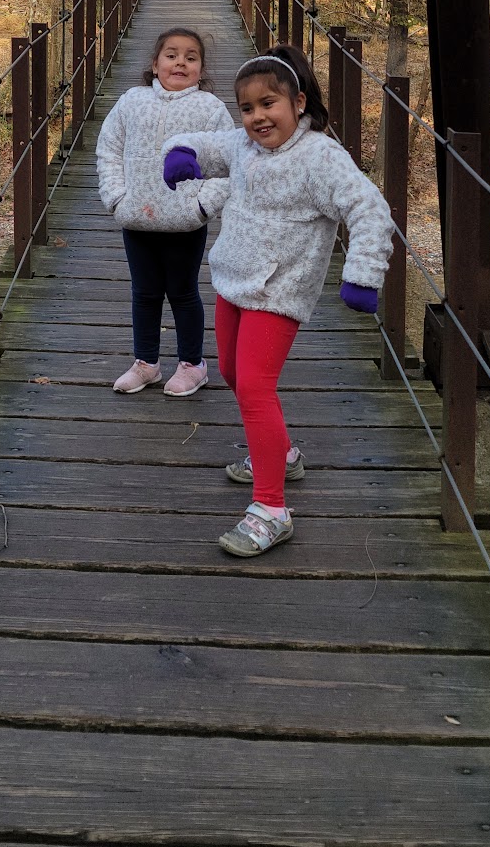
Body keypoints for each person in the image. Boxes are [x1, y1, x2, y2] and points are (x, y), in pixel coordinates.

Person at [161, 44, 393, 557]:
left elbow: (369, 209)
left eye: (270, 104)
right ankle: (281, 454)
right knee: (234, 375)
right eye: (247, 108)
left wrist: (363, 273)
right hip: (233, 277)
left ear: (300, 103)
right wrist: (183, 152)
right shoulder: (245, 146)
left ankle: (271, 508)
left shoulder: (320, 158)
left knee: (256, 388)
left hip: (281, 288)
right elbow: (211, 143)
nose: (257, 117)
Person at [95, 27, 233, 397]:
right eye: (171, 55)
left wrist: (202, 207)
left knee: (184, 292)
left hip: (185, 222)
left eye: (191, 57)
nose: (180, 62)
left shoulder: (211, 109)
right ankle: (147, 363)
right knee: (144, 293)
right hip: (136, 215)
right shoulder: (131, 101)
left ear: (201, 69)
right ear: (155, 64)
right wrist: (115, 197)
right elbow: (109, 148)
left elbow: (226, 161)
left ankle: (192, 364)